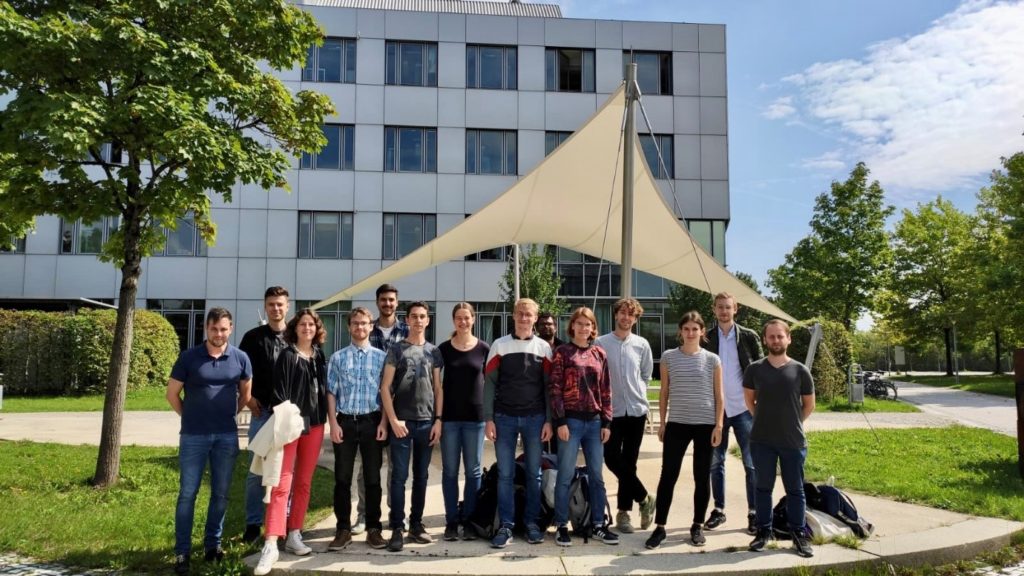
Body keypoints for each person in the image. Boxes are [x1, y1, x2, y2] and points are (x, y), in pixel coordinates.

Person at [166, 308, 252, 576]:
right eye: (214, 329)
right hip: (193, 436)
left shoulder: (240, 358)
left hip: (226, 436)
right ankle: (182, 551)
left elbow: (245, 393)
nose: (219, 334)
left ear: (231, 328)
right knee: (187, 494)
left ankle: (212, 546)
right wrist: (189, 415)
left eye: (224, 329)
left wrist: (229, 416)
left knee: (221, 494)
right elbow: (172, 394)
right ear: (206, 329)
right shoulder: (189, 357)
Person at [254, 309, 329, 576]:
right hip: (291, 426)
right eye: (302, 324)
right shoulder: (287, 355)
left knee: (304, 483)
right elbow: (279, 395)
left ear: (317, 329)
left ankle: (294, 533)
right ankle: (271, 542)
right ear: (295, 329)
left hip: (316, 426)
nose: (307, 328)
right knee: (281, 483)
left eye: (312, 324)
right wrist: (293, 420)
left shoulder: (319, 355)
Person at [645, 311, 723, 550]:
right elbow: (664, 391)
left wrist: (719, 425)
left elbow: (719, 395)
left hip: (705, 425)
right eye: (686, 329)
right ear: (680, 331)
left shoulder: (712, 360)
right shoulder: (669, 357)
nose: (690, 333)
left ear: (702, 332)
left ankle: (697, 525)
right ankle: (660, 527)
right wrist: (663, 423)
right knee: (668, 475)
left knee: (702, 476)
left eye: (695, 329)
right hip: (677, 424)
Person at [483, 298, 553, 549]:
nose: (524, 318)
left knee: (534, 474)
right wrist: (489, 418)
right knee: (505, 474)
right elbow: (489, 384)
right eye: (520, 314)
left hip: (536, 419)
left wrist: (549, 420)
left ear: (535, 318)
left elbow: (548, 387)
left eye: (529, 314)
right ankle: (506, 525)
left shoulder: (544, 348)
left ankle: (532, 523)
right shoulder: (499, 345)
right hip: (504, 418)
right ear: (513, 316)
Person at [744, 319, 815, 558]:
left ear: (788, 339)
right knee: (762, 488)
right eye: (771, 337)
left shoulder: (800, 370)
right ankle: (764, 532)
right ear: (765, 340)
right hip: (761, 440)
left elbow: (809, 405)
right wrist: (765, 420)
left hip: (792, 442)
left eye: (780, 336)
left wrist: (791, 423)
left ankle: (799, 534)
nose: (776, 340)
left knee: (795, 490)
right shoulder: (754, 369)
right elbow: (749, 401)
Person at [549, 307, 618, 547]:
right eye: (579, 323)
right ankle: (561, 525)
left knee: (597, 476)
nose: (583, 328)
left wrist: (607, 421)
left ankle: (598, 524)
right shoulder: (562, 353)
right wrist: (560, 421)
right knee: (565, 475)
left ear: (592, 328)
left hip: (595, 422)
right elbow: (555, 390)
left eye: (587, 324)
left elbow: (606, 389)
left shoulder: (600, 353)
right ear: (572, 327)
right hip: (571, 422)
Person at [380, 301, 444, 552]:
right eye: (414, 316)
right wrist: (393, 420)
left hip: (427, 422)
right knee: (399, 477)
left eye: (422, 316)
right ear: (407, 320)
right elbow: (385, 387)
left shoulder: (434, 352)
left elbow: (438, 389)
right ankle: (397, 526)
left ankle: (416, 524)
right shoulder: (396, 350)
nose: (418, 320)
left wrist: (438, 420)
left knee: (422, 477)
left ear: (428, 320)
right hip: (402, 424)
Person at [326, 307, 389, 551]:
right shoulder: (338, 358)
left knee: (373, 479)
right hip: (345, 422)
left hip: (372, 422)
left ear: (371, 326)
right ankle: (343, 529)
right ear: (349, 326)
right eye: (355, 323)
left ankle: (374, 528)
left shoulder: (382, 357)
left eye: (364, 323)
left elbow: (386, 394)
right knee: (342, 478)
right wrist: (333, 423)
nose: (360, 327)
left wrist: (383, 423)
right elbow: (331, 392)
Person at [701, 292, 763, 534]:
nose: (724, 311)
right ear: (714, 310)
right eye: (720, 307)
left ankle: (754, 512)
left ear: (735, 309)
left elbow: (760, 370)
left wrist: (760, 404)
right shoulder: (707, 337)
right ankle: (719, 510)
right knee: (715, 463)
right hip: (716, 411)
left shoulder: (748, 336)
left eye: (728, 307)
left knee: (752, 464)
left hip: (744, 409)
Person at [595, 298, 656, 534]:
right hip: (612, 412)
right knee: (611, 458)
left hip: (637, 411)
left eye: (631, 314)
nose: (626, 317)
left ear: (635, 318)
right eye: (622, 312)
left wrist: (638, 392)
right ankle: (644, 497)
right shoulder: (601, 343)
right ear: (616, 315)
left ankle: (623, 514)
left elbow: (646, 375)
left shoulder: (642, 344)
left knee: (629, 463)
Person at [239, 286, 290, 543]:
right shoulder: (252, 338)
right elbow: (239, 373)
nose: (276, 308)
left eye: (280, 304)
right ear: (266, 306)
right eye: (271, 304)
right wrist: (247, 399)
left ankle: (283, 521)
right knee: (256, 471)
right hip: (262, 413)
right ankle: (253, 524)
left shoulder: (296, 336)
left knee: (285, 471)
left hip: (288, 417)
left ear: (287, 306)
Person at [355, 283, 408, 534]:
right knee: (368, 467)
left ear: (397, 303)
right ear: (377, 302)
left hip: (401, 410)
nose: (387, 303)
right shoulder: (366, 329)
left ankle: (397, 514)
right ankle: (364, 514)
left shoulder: (408, 331)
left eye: (391, 300)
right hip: (372, 410)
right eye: (383, 300)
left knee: (397, 468)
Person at [438, 302, 490, 541]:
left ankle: (469, 520)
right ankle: (451, 521)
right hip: (449, 418)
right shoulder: (444, 349)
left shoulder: (484, 349)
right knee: (449, 471)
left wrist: (491, 417)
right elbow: (437, 386)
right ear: (454, 321)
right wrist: (437, 418)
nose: (462, 321)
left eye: (466, 317)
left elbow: (490, 385)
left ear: (473, 319)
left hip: (475, 419)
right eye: (458, 318)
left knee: (473, 471)